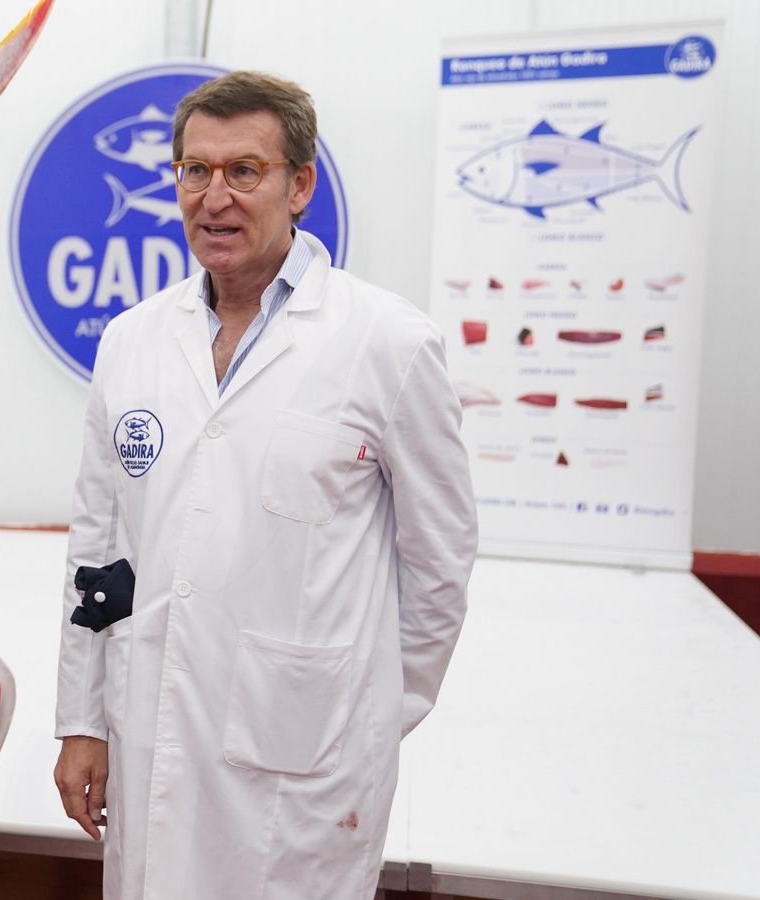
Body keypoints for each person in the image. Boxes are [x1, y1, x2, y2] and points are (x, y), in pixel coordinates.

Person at [52, 71, 478, 899]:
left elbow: (440, 564)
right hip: (150, 735)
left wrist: (367, 713)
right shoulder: (133, 342)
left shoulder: (385, 344)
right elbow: (98, 547)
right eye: (194, 171)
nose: (215, 197)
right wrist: (80, 721)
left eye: (244, 171)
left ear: (300, 185)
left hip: (308, 765)